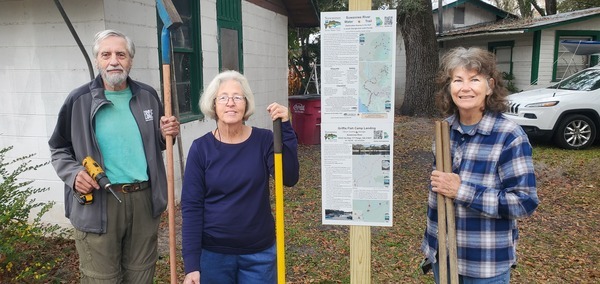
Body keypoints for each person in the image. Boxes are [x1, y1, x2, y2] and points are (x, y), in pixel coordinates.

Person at [48, 29, 180, 283]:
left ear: (130, 60)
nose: (114, 61)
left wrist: (166, 134)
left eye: (121, 54)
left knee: (141, 275)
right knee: (102, 278)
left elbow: (157, 143)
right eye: (106, 54)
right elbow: (59, 148)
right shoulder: (79, 100)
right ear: (97, 60)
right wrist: (74, 174)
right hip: (98, 203)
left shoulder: (148, 96)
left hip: (143, 199)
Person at [420, 47, 539, 283]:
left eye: (474, 79)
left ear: (490, 86)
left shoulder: (509, 135)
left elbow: (525, 202)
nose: (465, 88)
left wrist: (461, 191)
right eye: (458, 80)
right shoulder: (445, 131)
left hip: (485, 264)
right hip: (441, 255)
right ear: (449, 87)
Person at [181, 70, 300, 284]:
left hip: (259, 254)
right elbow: (191, 206)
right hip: (213, 254)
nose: (230, 103)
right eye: (223, 97)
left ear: (246, 104)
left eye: (237, 97)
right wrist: (191, 264)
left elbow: (289, 177)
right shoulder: (201, 149)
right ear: (213, 105)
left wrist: (286, 128)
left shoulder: (264, 140)